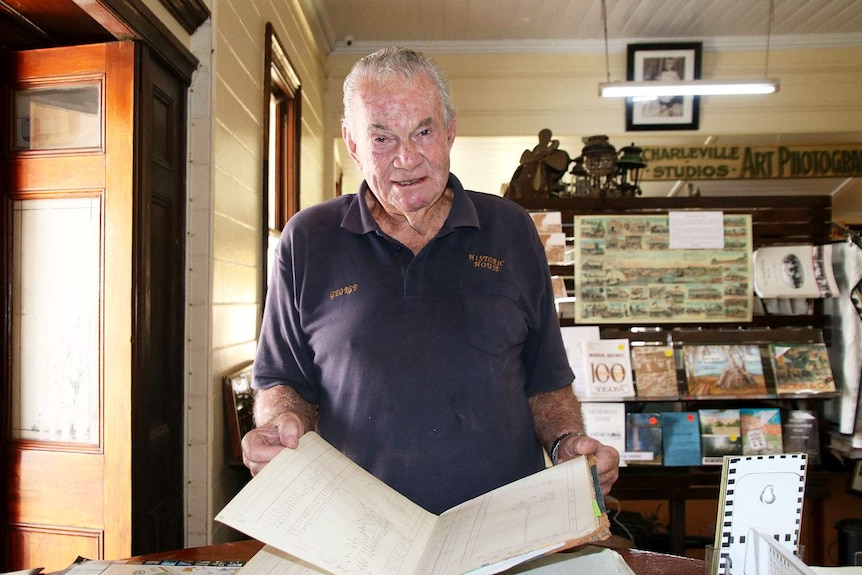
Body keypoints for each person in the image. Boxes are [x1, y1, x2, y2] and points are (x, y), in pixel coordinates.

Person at [242, 46, 620, 515]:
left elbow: (546, 380)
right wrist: (279, 426)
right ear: (353, 144)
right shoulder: (308, 239)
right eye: (381, 139)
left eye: (424, 131)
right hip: (356, 529)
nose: (407, 158)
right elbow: (282, 379)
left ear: (450, 130)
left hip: (504, 527)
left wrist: (567, 443)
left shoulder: (511, 229)